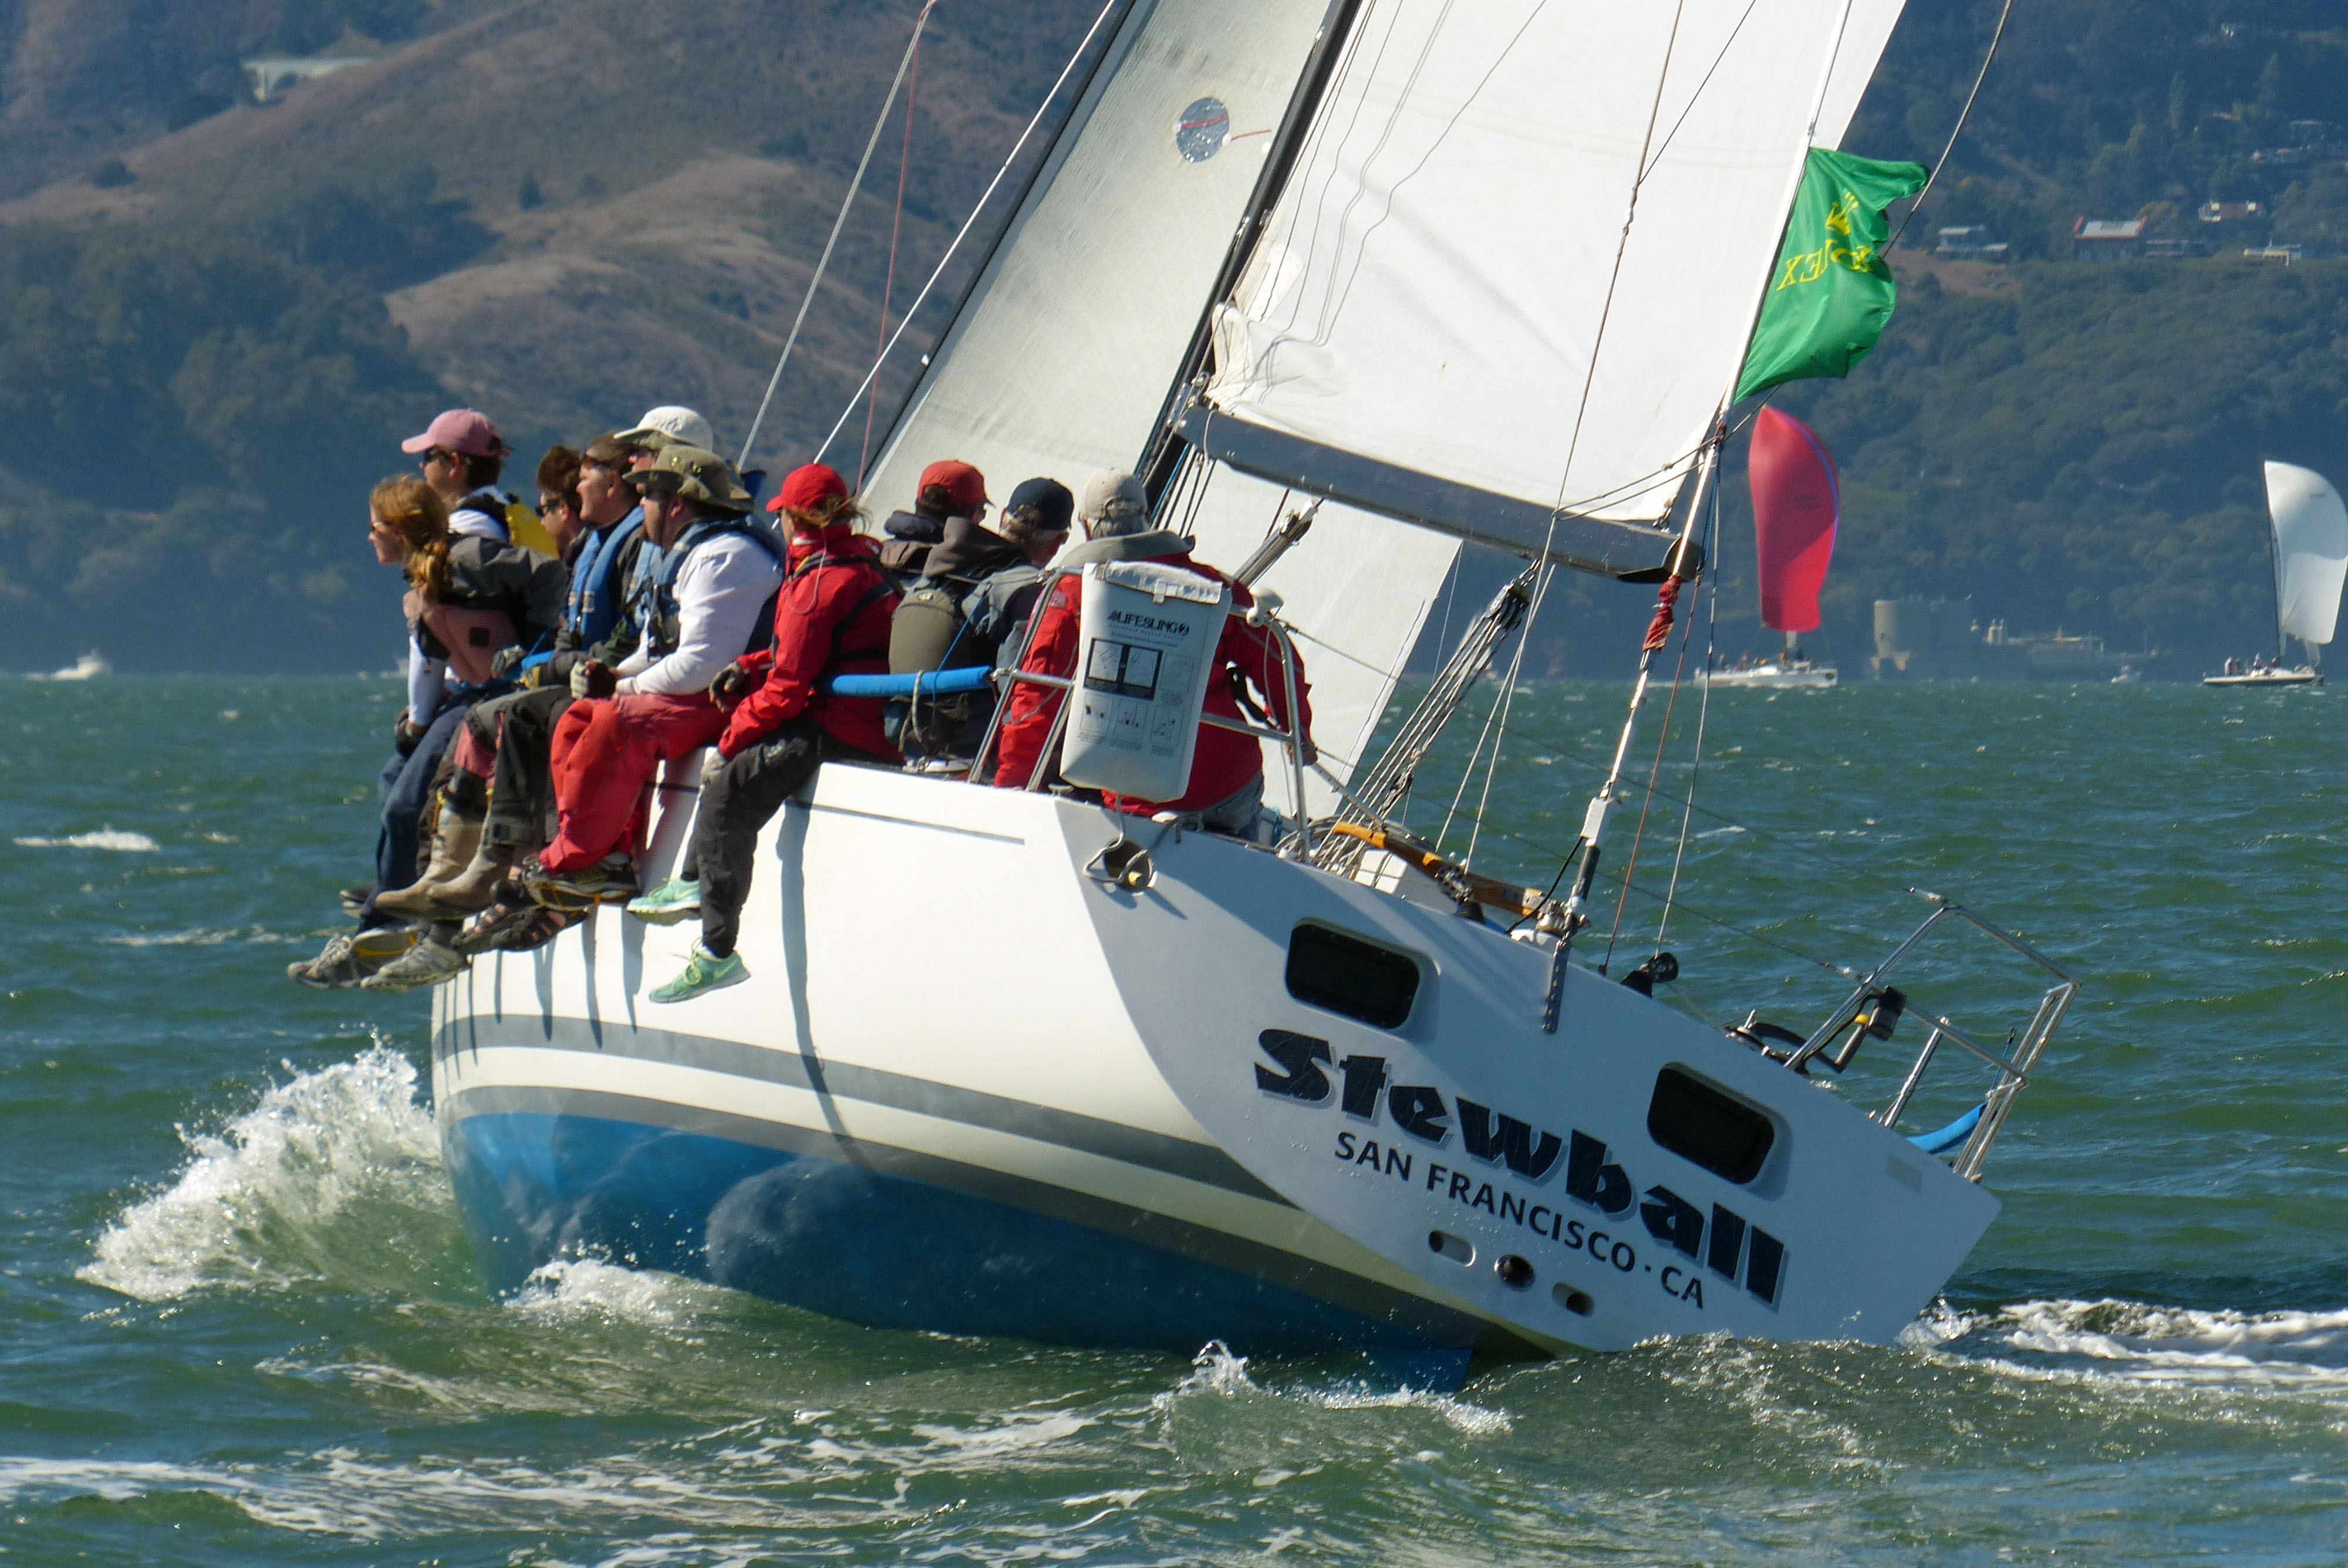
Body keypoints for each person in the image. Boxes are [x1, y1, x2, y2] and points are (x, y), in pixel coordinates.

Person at [630, 464, 902, 1001]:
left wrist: (728, 741)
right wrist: (749, 664)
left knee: (728, 791)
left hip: (837, 726)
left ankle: (717, 952)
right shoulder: (856, 564)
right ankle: (692, 882)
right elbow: (795, 653)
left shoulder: (815, 584)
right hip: (862, 721)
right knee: (732, 773)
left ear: (792, 518)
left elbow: (788, 689)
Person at [290, 475, 563, 986]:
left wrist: (538, 646)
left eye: (375, 527)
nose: (369, 537)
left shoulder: (472, 558)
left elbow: (550, 574)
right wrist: (417, 722)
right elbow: (432, 666)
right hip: (471, 696)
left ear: (400, 531)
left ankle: (400, 920)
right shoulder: (420, 589)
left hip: (506, 694)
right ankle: (391, 913)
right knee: (395, 779)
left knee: (410, 804)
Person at [519, 445, 785, 908]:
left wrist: (620, 688)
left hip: (732, 695)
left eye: (648, 496)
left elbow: (703, 664)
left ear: (676, 503)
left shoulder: (726, 556)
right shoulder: (689, 553)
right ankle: (612, 856)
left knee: (618, 721)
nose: (640, 504)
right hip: (698, 691)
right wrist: (612, 674)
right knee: (577, 718)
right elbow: (655, 650)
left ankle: (579, 857)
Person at [993, 518, 1312, 836]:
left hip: (1136, 798)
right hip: (1229, 783)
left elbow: (1038, 697)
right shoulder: (1217, 588)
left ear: (1087, 528)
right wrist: (1297, 730)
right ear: (1146, 521)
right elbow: (1279, 663)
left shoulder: (1072, 592)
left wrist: (1012, 783)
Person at [888, 475, 1071, 764]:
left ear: (1003, 517)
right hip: (973, 753)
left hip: (902, 740)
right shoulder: (1031, 591)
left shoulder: (937, 568)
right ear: (1060, 541)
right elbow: (1018, 690)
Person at [876, 458, 987, 577]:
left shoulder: (876, 553)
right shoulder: (968, 572)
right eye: (982, 513)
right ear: (972, 515)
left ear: (919, 501)